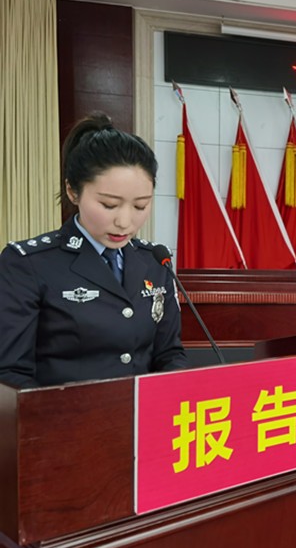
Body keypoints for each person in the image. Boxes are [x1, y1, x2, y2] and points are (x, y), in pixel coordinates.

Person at [0, 112, 188, 389]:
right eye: (109, 205)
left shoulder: (154, 261)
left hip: (144, 413)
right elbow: (10, 374)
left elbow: (169, 354)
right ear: (73, 191)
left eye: (140, 206)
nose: (124, 222)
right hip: (64, 415)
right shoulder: (27, 263)